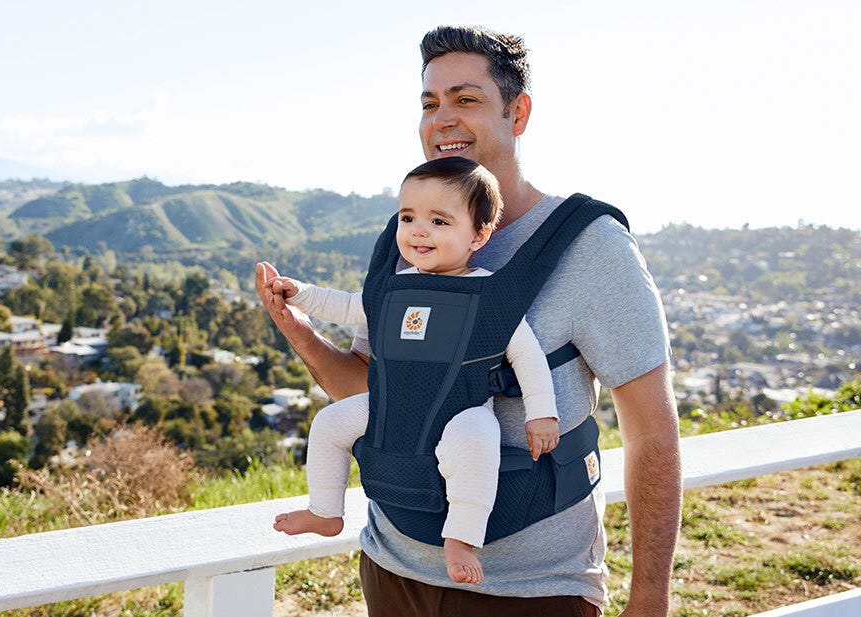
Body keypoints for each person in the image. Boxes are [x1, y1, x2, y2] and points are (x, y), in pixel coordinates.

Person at [256, 25, 681, 617]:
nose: (442, 119)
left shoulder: (589, 248)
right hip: (392, 568)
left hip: (531, 590)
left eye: (466, 99)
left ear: (518, 112)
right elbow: (367, 388)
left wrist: (649, 599)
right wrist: (301, 331)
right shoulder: (409, 239)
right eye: (430, 103)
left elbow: (652, 431)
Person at [270, 156, 560, 586]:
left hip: (462, 410)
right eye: (408, 217)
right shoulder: (394, 287)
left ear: (479, 234)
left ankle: (462, 538)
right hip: (391, 406)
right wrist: (301, 294)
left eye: (439, 221)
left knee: (477, 442)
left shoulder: (487, 295)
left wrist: (542, 413)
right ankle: (325, 512)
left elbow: (528, 355)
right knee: (329, 423)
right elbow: (349, 307)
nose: (419, 230)